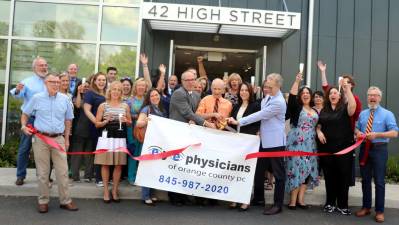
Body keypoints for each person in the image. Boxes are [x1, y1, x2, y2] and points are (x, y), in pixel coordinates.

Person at [229, 73, 287, 215]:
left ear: (277, 85)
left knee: (278, 174)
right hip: (263, 141)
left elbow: (261, 115)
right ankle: (259, 198)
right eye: (267, 82)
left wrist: (239, 121)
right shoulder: (268, 96)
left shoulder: (279, 101)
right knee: (259, 170)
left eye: (270, 82)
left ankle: (278, 205)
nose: (267, 84)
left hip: (275, 143)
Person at [20, 73, 78, 213]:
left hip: (58, 139)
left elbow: (68, 120)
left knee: (63, 172)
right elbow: (25, 113)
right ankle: (43, 200)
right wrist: (23, 126)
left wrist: (67, 139)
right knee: (43, 172)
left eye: (58, 82)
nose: (56, 84)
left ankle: (65, 201)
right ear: (46, 83)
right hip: (41, 139)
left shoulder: (65, 99)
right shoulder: (36, 98)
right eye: (53, 82)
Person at [168, 70, 214, 206]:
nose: (191, 82)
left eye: (193, 79)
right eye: (187, 80)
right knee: (176, 165)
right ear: (182, 82)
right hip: (177, 134)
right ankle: (174, 196)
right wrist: (206, 123)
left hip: (190, 135)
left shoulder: (196, 95)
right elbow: (187, 112)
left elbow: (197, 113)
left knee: (185, 166)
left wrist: (213, 116)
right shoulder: (178, 93)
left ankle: (183, 195)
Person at [354, 86, 398, 223]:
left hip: (379, 149)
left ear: (380, 98)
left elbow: (394, 132)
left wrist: (377, 134)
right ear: (367, 97)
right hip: (364, 149)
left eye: (375, 95)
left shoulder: (387, 114)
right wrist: (358, 133)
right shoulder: (362, 114)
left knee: (379, 181)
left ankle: (380, 211)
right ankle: (366, 207)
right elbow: (356, 128)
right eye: (370, 95)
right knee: (365, 180)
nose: (372, 98)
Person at [317, 61, 362, 186]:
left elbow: (356, 116)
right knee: (331, 171)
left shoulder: (354, 99)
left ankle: (342, 201)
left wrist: (355, 131)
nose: (344, 84)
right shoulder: (337, 96)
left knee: (343, 171)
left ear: (352, 85)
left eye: (347, 82)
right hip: (331, 139)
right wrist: (323, 71)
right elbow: (326, 88)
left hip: (346, 138)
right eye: (343, 81)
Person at [316, 83, 356, 215]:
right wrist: (319, 131)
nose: (333, 94)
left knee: (343, 177)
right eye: (331, 93)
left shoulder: (345, 108)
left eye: (335, 93)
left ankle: (343, 205)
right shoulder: (324, 109)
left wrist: (347, 90)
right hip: (327, 149)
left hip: (344, 149)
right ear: (329, 97)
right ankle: (330, 203)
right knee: (329, 177)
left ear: (339, 96)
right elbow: (319, 124)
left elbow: (353, 108)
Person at [10, 56, 48, 186]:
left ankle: (44, 176)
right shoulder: (27, 81)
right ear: (34, 68)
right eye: (41, 65)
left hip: (46, 121)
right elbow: (17, 94)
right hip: (30, 120)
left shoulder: (51, 81)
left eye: (45, 65)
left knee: (45, 149)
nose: (44, 67)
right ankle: (20, 175)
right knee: (25, 148)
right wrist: (18, 90)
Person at [285, 73, 319, 210]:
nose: (305, 94)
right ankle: (292, 201)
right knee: (295, 169)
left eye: (307, 93)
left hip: (310, 143)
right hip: (296, 143)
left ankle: (301, 200)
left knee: (307, 170)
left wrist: (320, 130)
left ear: (311, 96)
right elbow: (292, 97)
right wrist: (297, 81)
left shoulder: (315, 110)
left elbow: (319, 124)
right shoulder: (296, 108)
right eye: (303, 93)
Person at [94, 81, 132, 203]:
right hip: (106, 137)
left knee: (118, 165)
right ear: (110, 91)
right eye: (114, 89)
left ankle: (115, 190)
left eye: (118, 90)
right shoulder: (103, 106)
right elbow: (96, 124)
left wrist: (125, 119)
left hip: (120, 137)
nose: (116, 91)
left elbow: (130, 123)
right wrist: (105, 121)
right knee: (105, 164)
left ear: (121, 93)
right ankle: (105, 190)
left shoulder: (125, 106)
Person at [228, 82, 260, 211]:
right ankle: (235, 199)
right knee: (236, 171)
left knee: (247, 172)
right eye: (242, 90)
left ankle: (245, 200)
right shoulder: (236, 106)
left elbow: (258, 123)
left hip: (249, 143)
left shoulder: (255, 106)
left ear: (250, 92)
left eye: (246, 90)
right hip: (236, 142)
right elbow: (233, 124)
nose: (244, 92)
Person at [136, 88, 167, 206]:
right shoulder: (146, 109)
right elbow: (139, 123)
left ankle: (151, 193)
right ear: (149, 98)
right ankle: (145, 195)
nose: (155, 97)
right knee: (148, 168)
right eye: (152, 96)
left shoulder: (162, 109)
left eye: (156, 95)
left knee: (155, 169)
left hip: (158, 142)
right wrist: (147, 121)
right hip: (149, 143)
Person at [83, 72, 107, 187]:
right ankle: (98, 177)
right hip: (96, 127)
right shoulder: (90, 93)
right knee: (99, 152)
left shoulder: (108, 93)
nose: (102, 82)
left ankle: (106, 176)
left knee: (106, 151)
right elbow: (87, 110)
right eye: (99, 80)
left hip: (108, 126)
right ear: (95, 81)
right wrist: (97, 122)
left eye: (104, 80)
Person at [126, 78, 148, 185]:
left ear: (145, 88)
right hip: (132, 129)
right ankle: (131, 177)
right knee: (134, 153)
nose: (141, 87)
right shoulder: (130, 100)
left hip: (145, 129)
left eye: (143, 86)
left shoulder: (147, 100)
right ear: (135, 87)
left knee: (142, 153)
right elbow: (127, 115)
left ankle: (141, 176)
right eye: (139, 85)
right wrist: (139, 117)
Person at [70, 77, 93, 182]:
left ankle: (88, 175)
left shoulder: (92, 98)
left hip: (90, 129)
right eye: (84, 87)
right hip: (78, 129)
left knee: (89, 155)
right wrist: (79, 92)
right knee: (77, 154)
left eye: (88, 87)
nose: (85, 88)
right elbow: (78, 105)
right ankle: (75, 175)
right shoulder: (75, 97)